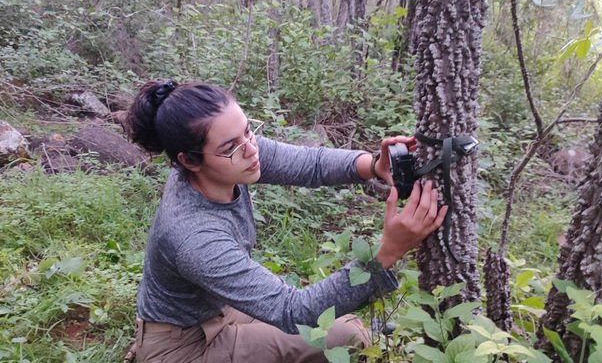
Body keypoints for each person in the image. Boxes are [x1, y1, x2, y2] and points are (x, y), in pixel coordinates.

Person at [126, 79, 448, 363]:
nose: (251, 149)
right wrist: (387, 254)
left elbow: (310, 164)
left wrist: (374, 165)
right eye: (232, 146)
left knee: (346, 329)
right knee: (347, 338)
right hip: (183, 347)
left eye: (248, 130)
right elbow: (294, 311)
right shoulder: (192, 235)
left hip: (217, 307)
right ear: (189, 160)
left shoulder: (227, 159)